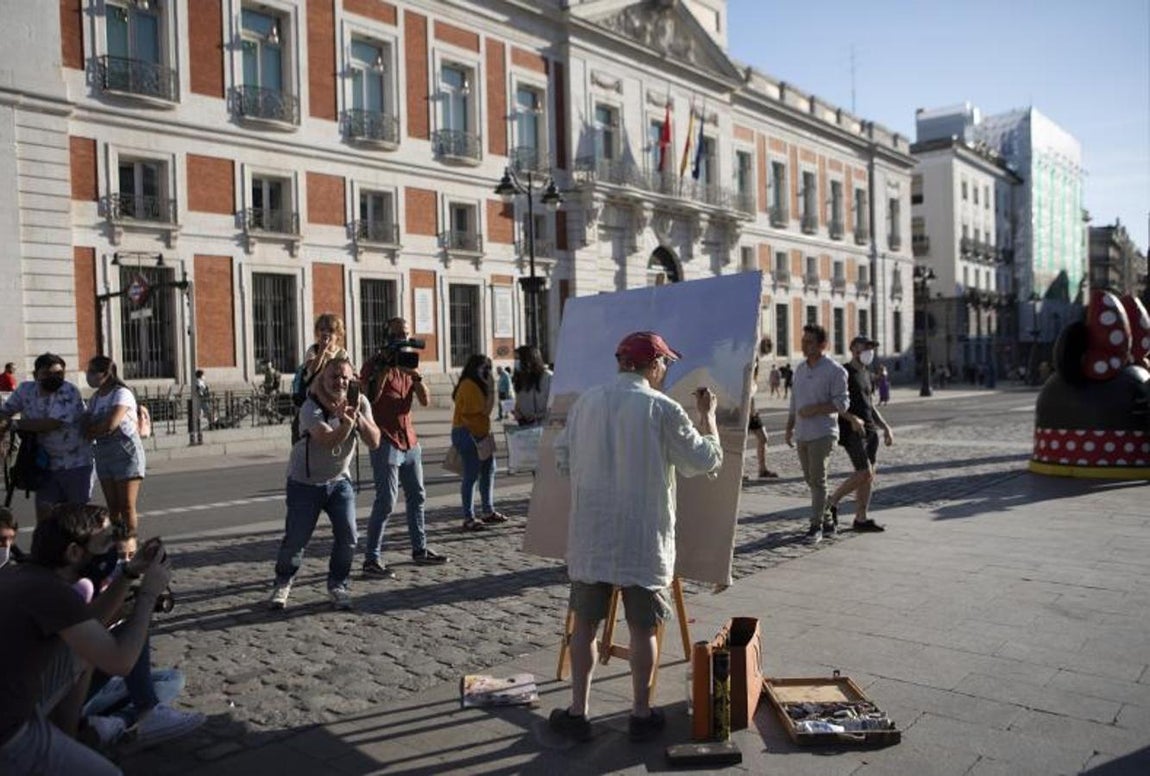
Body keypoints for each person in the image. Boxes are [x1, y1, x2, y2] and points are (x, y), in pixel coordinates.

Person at [549, 331, 722, 744]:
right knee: (643, 629)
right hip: (642, 536)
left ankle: (578, 711)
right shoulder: (661, 408)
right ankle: (641, 714)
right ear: (654, 364)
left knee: (585, 626)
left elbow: (562, 459)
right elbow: (704, 460)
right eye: (665, 364)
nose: (665, 371)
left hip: (593, 534)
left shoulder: (587, 402)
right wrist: (709, 417)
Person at [0, 503, 173, 775]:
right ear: (73, 552)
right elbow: (119, 662)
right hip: (9, 736)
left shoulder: (24, 575)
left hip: (20, 708)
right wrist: (148, 596)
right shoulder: (53, 594)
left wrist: (129, 573)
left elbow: (89, 623)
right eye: (105, 543)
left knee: (81, 651)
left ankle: (68, 739)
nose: (112, 551)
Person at [269, 356, 380, 611]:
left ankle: (337, 584)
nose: (339, 381)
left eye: (345, 377)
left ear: (352, 379)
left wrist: (358, 419)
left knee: (349, 535)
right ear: (323, 378)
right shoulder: (311, 406)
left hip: (339, 480)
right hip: (304, 482)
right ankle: (283, 582)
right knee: (297, 539)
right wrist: (347, 424)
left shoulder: (360, 402)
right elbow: (327, 440)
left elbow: (375, 441)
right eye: (334, 376)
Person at [360, 318, 447, 579]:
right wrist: (386, 368)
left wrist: (416, 377)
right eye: (397, 334)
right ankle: (371, 558)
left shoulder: (409, 363)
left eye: (406, 334)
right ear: (386, 335)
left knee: (417, 497)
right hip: (385, 440)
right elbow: (371, 398)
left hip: (410, 440)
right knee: (386, 501)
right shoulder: (374, 364)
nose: (402, 338)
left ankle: (419, 549)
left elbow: (425, 399)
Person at [0, 353, 92, 520]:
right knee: (45, 516)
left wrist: (13, 424)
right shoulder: (25, 390)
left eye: (58, 374)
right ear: (36, 375)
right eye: (47, 374)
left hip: (75, 463)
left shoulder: (69, 391)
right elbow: (5, 412)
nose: (54, 378)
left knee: (76, 518)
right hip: (44, 465)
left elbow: (52, 423)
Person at [784, 324, 851, 544]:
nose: (804, 345)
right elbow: (794, 401)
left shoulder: (835, 370)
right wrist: (789, 426)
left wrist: (816, 409)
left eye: (809, 341)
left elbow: (842, 402)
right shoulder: (801, 369)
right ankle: (828, 517)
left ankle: (816, 526)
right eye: (803, 341)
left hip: (824, 433)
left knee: (819, 479)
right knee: (810, 479)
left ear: (822, 345)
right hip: (802, 433)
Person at [825, 337, 893, 533]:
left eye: (872, 348)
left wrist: (885, 427)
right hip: (852, 431)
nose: (869, 351)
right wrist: (852, 419)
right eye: (866, 347)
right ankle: (831, 503)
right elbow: (834, 402)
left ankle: (861, 518)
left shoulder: (866, 373)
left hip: (870, 431)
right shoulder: (843, 372)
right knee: (864, 472)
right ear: (854, 348)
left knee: (868, 477)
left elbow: (870, 405)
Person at [82, 357, 146, 559]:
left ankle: (130, 545)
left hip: (125, 451)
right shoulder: (95, 398)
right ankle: (116, 545)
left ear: (106, 374)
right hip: (103, 452)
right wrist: (92, 430)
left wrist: (93, 431)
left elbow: (111, 423)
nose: (89, 375)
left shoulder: (122, 393)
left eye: (93, 371)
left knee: (127, 505)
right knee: (113, 507)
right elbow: (86, 423)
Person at [451, 354, 507, 531]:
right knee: (471, 475)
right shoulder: (469, 385)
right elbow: (485, 410)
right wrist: (491, 389)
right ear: (474, 368)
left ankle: (488, 511)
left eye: (489, 368)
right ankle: (468, 517)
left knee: (489, 469)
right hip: (468, 433)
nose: (487, 372)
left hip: (481, 433)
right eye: (484, 368)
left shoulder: (477, 385)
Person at [747, 360, 779, 479]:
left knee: (763, 438)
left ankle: (762, 469)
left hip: (752, 414)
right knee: (739, 444)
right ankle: (737, 473)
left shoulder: (753, 376)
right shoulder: (742, 371)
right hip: (741, 413)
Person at [511, 345, 552, 426]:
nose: (516, 362)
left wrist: (537, 416)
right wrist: (517, 412)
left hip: (543, 427)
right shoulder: (520, 378)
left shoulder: (548, 378)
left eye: (518, 359)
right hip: (524, 426)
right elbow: (519, 401)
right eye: (515, 359)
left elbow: (553, 406)